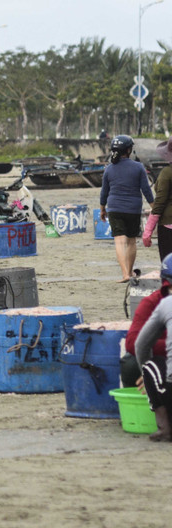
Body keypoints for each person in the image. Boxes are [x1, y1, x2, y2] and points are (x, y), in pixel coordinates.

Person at [100, 135, 154, 282]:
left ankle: (125, 274)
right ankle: (129, 273)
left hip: (115, 209)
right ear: (129, 150)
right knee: (131, 241)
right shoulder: (138, 167)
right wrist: (155, 208)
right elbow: (147, 191)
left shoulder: (109, 169)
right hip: (133, 209)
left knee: (119, 241)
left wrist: (102, 209)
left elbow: (104, 191)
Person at [134, 253, 172, 441]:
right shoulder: (152, 302)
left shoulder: (165, 303)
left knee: (150, 367)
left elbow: (140, 345)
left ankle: (165, 428)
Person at [142, 137, 172, 261]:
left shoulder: (167, 173)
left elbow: (159, 203)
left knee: (168, 265)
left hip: (168, 225)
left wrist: (148, 230)